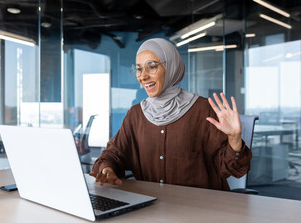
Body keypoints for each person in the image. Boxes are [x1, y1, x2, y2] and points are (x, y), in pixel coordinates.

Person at [89, 38, 251, 191]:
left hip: (200, 210)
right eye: (139, 69)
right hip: (151, 207)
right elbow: (113, 154)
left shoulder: (203, 110)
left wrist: (234, 139)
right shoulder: (136, 114)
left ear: (171, 67)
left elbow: (233, 169)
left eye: (151, 67)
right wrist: (107, 169)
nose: (143, 76)